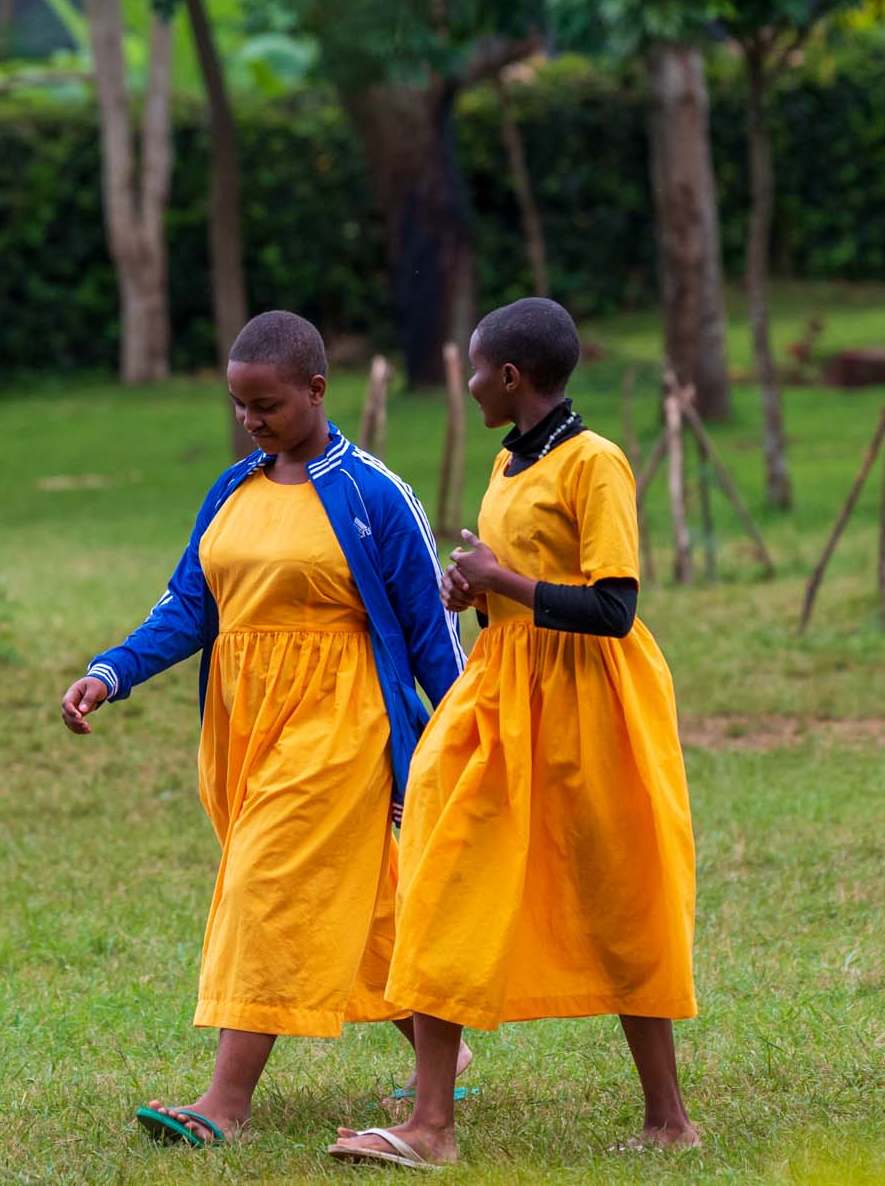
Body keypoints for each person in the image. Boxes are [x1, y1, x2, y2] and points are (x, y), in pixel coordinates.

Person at [59, 311, 469, 1147]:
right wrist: (110, 671)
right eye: (240, 405)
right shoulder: (233, 489)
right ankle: (441, 1053)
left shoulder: (373, 493)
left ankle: (223, 1104)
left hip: (339, 725)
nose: (252, 419)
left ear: (317, 390)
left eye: (268, 404)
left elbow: (431, 630)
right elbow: (188, 604)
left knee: (268, 884)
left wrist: (461, 733)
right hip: (245, 727)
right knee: (357, 901)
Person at [330, 297, 699, 1170]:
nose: (462, 385)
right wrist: (480, 592)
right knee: (442, 867)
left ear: (509, 376)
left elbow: (613, 606)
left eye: (471, 369)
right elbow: (522, 578)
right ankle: (429, 1124)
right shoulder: (508, 460)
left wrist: (509, 581)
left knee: (619, 891)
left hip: (590, 700)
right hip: (500, 690)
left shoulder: (595, 463)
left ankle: (669, 1116)